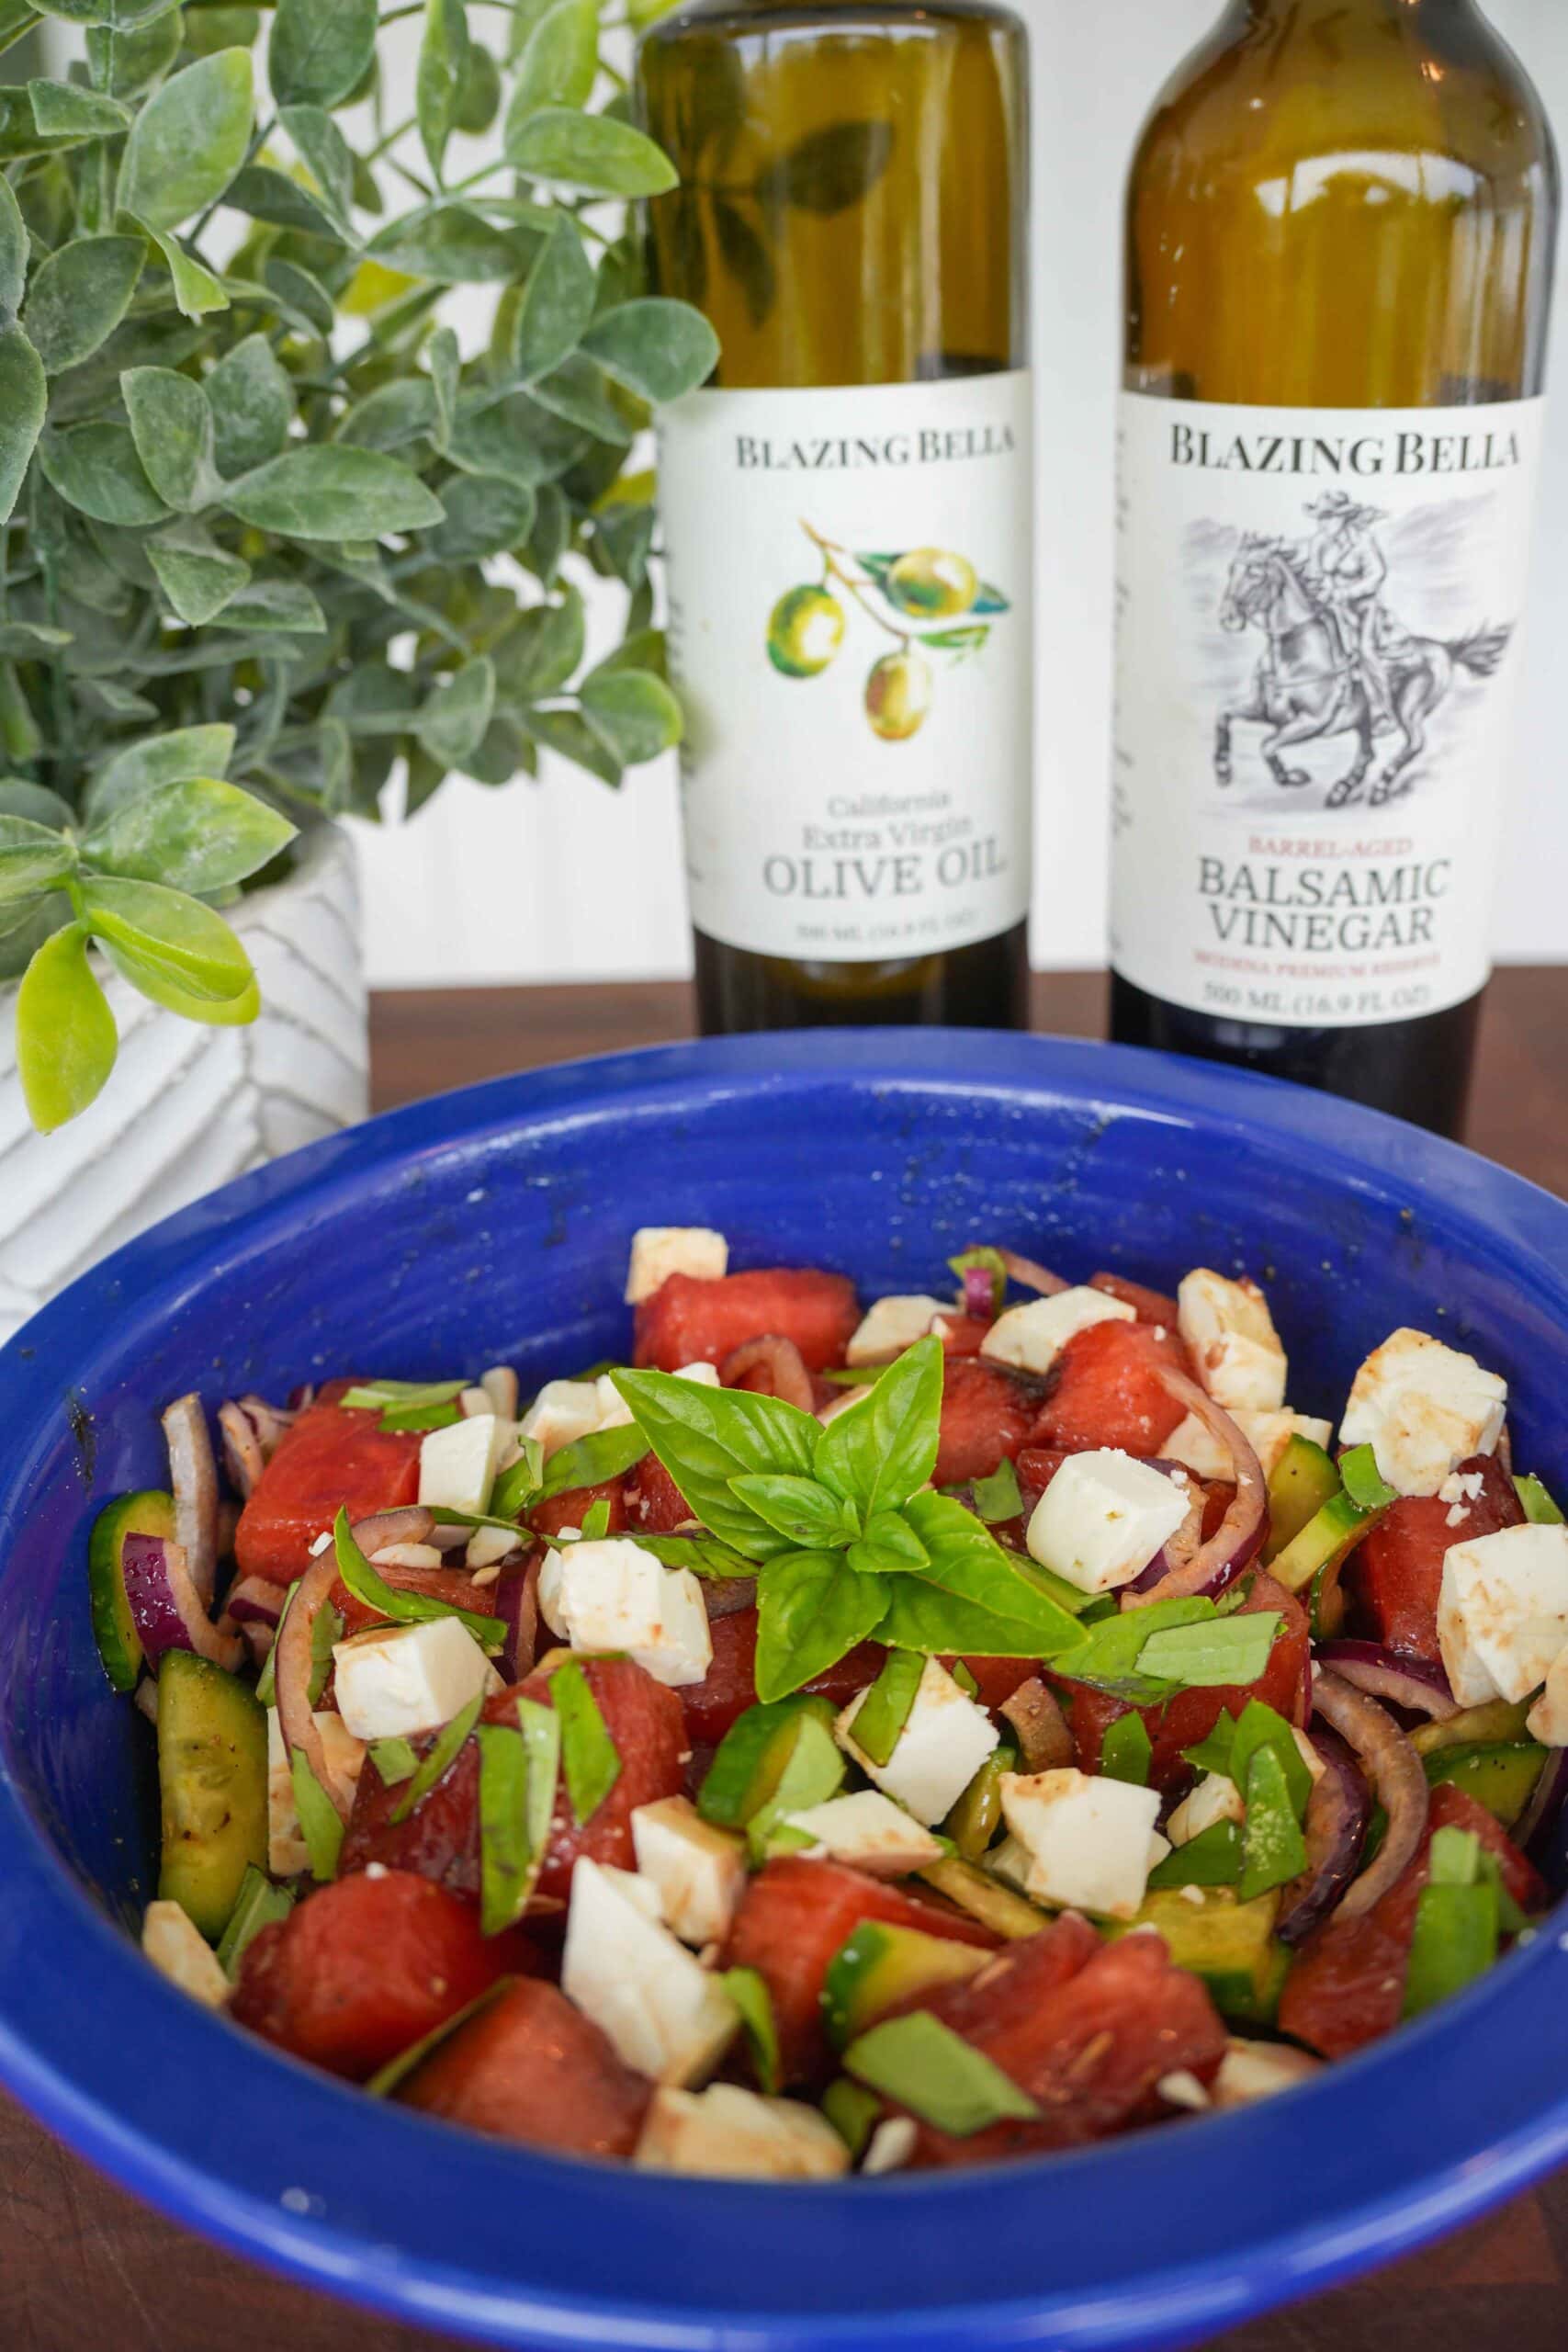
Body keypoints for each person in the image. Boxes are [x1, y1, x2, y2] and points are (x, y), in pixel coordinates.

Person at [1303, 489, 1394, 728]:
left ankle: (1381, 711)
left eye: (1328, 517)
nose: (1323, 523)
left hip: (1363, 607)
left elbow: (1376, 574)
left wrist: (1345, 593)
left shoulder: (1363, 541)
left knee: (1366, 651)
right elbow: (1314, 573)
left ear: (1343, 518)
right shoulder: (1318, 543)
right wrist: (1317, 589)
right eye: (1320, 518)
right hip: (1332, 606)